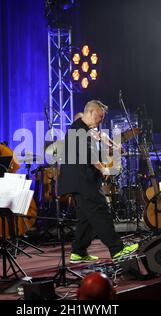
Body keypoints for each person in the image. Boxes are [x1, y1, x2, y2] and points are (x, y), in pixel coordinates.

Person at [58, 100, 139, 263]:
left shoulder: (85, 130)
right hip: (83, 181)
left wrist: (111, 147)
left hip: (81, 181)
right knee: (101, 212)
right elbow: (90, 156)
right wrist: (104, 169)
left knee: (85, 218)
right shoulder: (78, 129)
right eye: (100, 116)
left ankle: (78, 252)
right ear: (91, 112)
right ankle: (117, 249)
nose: (101, 120)